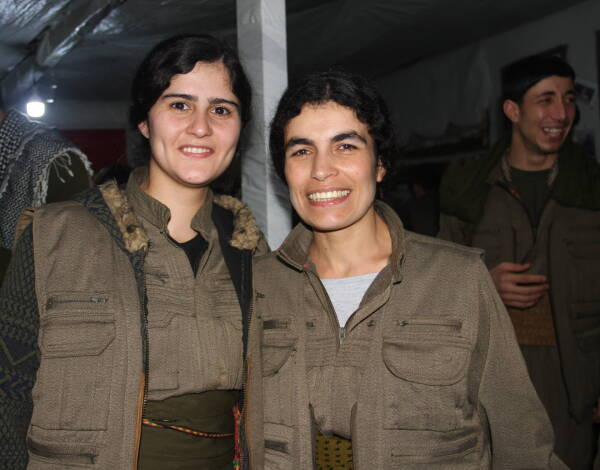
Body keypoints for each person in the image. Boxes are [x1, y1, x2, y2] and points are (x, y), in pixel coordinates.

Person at [245, 70, 566, 469]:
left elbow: (520, 438)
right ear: (284, 170)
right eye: (301, 151)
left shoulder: (458, 279)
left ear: (380, 164)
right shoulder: (256, 285)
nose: (321, 169)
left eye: (345, 146)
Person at [0, 34, 267, 469]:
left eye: (221, 109)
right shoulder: (54, 235)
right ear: (145, 121)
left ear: (240, 127)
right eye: (179, 105)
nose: (201, 127)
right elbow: (8, 387)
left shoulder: (250, 249)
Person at [438, 54, 600, 470]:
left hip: (572, 384)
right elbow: (435, 288)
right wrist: (483, 284)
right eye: (546, 100)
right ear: (513, 110)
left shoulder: (591, 190)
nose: (561, 113)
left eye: (568, 99)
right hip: (487, 382)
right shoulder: (468, 191)